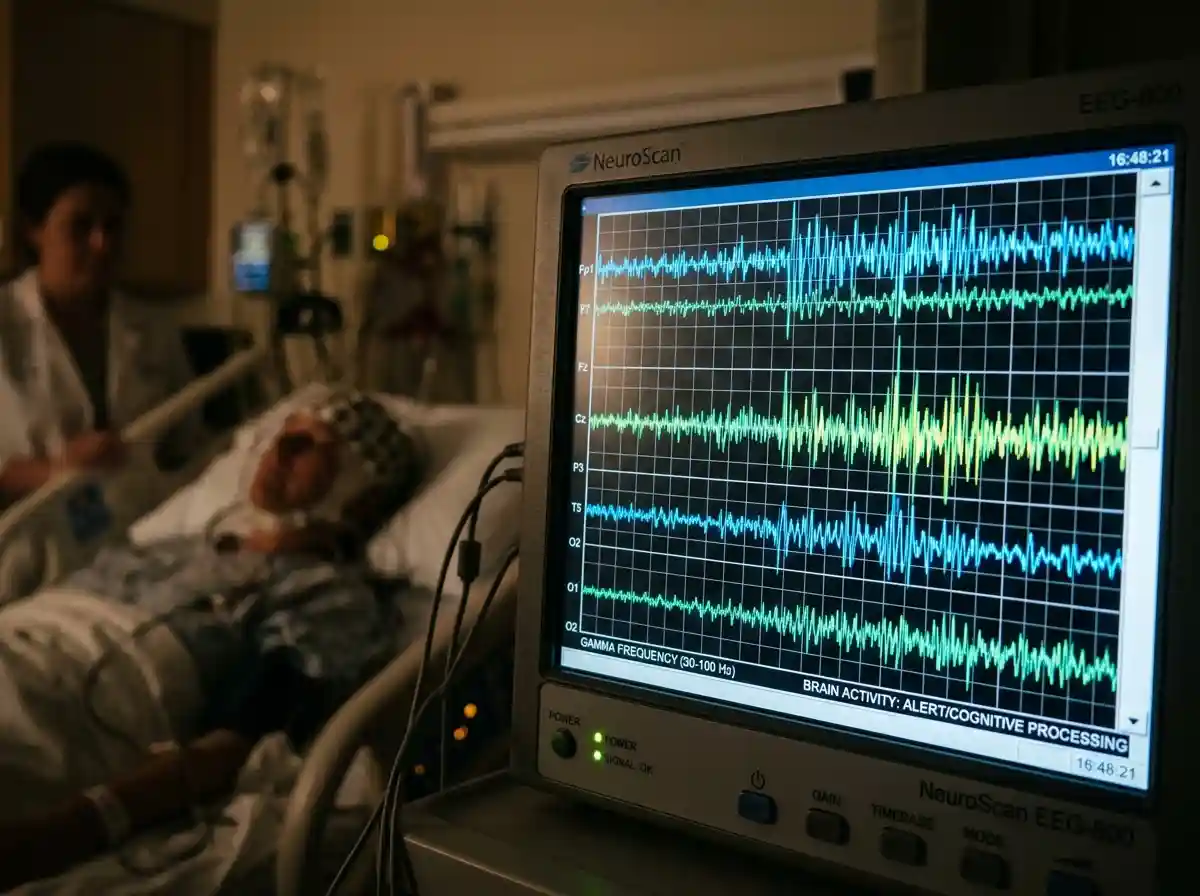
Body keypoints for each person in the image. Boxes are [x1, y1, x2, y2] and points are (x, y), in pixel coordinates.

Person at [0, 390, 426, 890]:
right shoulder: (173, 545)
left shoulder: (327, 592)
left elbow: (233, 744)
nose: (279, 451)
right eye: (282, 436)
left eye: (311, 446)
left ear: (366, 493)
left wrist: (77, 827)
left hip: (72, 690)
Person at [0, 142, 200, 504]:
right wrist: (55, 471)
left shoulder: (153, 328)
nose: (101, 243)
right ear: (34, 229)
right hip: (28, 539)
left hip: (141, 533)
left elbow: (187, 447)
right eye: (80, 226)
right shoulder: (6, 325)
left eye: (113, 226)